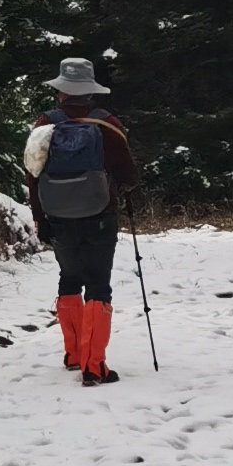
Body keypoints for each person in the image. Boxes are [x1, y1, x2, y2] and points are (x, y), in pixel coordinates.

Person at [24, 56, 138, 387]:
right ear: (90, 92)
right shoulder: (107, 124)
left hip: (58, 217)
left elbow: (33, 176)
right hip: (100, 215)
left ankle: (74, 354)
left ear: (61, 91)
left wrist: (40, 219)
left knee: (69, 277)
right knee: (99, 283)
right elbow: (129, 176)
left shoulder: (44, 124)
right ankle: (94, 365)